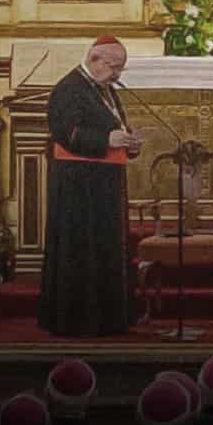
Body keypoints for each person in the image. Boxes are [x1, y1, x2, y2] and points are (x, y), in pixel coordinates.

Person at [41, 37, 141, 337]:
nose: (117, 75)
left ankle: (109, 318)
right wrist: (106, 140)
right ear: (95, 58)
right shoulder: (68, 88)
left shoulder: (105, 89)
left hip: (104, 182)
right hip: (78, 185)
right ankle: (80, 321)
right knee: (82, 249)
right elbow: (64, 132)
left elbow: (114, 128)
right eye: (114, 67)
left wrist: (130, 143)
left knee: (107, 250)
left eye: (121, 69)